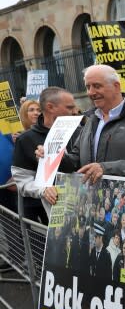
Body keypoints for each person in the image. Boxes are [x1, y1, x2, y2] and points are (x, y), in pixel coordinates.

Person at [62, 65, 125, 182]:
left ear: (116, 86)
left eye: (97, 86)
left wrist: (106, 169)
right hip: (92, 199)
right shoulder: (90, 121)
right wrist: (56, 159)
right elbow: (76, 159)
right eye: (88, 87)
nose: (91, 92)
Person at [12, 86, 77, 222]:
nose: (75, 111)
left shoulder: (81, 132)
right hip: (52, 214)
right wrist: (43, 190)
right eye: (69, 108)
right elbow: (22, 180)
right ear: (50, 107)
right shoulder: (26, 139)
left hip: (83, 205)